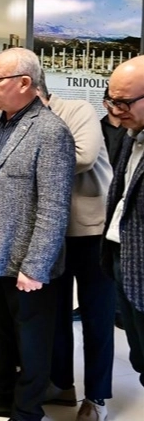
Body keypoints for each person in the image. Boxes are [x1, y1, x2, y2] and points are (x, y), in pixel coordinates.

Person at [0, 48, 75, 421]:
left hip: (25, 260)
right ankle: (0, 396)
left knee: (31, 341)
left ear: (24, 83)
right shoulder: (0, 121)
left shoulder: (51, 131)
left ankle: (26, 411)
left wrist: (36, 265)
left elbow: (54, 207)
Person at [35, 76, 115, 421]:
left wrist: (29, 160)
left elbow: (83, 157)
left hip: (93, 231)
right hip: (54, 232)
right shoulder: (27, 120)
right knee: (55, 315)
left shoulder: (77, 109)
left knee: (97, 318)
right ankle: (61, 384)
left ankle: (96, 397)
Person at [102, 55, 144, 393]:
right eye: (112, 101)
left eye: (124, 102)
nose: (116, 111)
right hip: (124, 257)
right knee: (140, 356)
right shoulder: (132, 135)